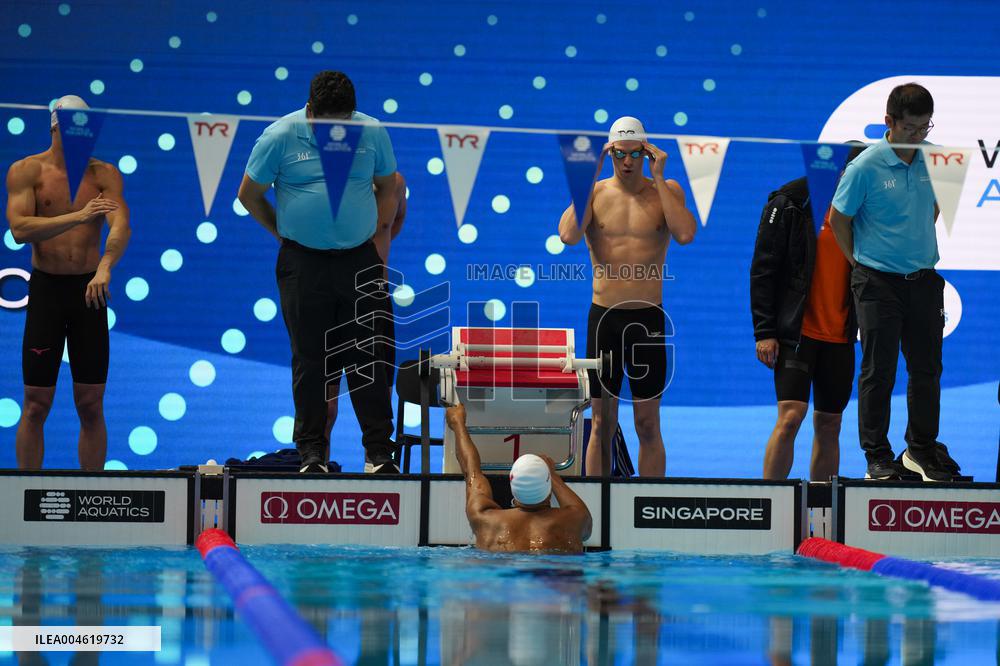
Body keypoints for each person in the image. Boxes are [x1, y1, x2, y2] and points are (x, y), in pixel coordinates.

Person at [237, 70, 399, 474]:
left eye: (342, 123)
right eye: (327, 124)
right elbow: (249, 195)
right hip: (302, 263)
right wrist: (285, 234)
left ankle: (379, 453)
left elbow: (389, 186)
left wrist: (376, 242)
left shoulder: (372, 132)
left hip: (359, 260)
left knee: (370, 356)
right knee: (310, 360)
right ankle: (311, 453)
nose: (335, 132)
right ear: (310, 112)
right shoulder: (279, 136)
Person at [558, 116, 697, 477]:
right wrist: (588, 176)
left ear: (647, 152)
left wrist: (662, 177)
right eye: (620, 154)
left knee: (648, 424)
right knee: (602, 425)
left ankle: (648, 508)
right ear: (611, 153)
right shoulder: (595, 193)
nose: (628, 162)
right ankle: (597, 511)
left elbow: (685, 234)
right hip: (604, 320)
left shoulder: (667, 191)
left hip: (647, 322)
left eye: (636, 153)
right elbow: (569, 236)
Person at [829, 82, 953, 482]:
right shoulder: (865, 166)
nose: (918, 137)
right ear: (889, 122)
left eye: (925, 128)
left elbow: (933, 209)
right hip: (877, 282)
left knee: (927, 369)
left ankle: (919, 449)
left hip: (923, 279)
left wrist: (912, 248)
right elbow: (838, 220)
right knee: (878, 370)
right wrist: (860, 265)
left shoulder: (936, 160)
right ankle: (877, 456)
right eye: (910, 129)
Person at [5, 94, 130, 471]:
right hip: (47, 292)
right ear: (55, 127)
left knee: (90, 403)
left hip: (89, 293)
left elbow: (120, 224)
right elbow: (20, 229)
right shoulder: (27, 171)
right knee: (35, 403)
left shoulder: (103, 174)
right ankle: (25, 492)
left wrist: (106, 265)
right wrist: (79, 216)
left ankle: (91, 495)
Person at [750, 143, 867, 481]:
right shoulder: (793, 203)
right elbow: (764, 269)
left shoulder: (865, 212)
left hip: (841, 334)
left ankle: (821, 512)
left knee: (830, 424)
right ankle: (769, 502)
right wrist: (764, 331)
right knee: (790, 417)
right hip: (797, 331)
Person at [325, 172, 407, 453]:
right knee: (325, 405)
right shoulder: (323, 180)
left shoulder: (395, 183)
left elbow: (393, 222)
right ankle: (315, 468)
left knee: (380, 401)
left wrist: (377, 246)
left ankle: (378, 463)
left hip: (374, 298)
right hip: (329, 298)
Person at [446, 402, 593, 553]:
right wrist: (553, 474)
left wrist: (457, 424)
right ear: (549, 489)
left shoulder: (485, 519)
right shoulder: (575, 520)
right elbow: (586, 526)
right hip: (551, 573)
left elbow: (472, 471)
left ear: (512, 488)